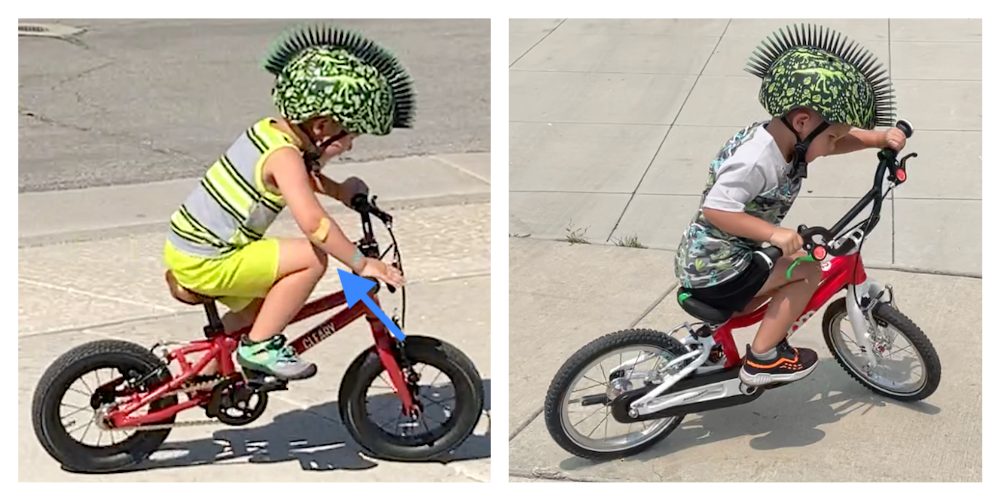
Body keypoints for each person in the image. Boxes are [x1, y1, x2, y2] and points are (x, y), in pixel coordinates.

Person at [163, 25, 414, 380]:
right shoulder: (285, 156)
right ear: (323, 126)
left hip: (188, 248)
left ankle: (210, 364)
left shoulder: (269, 132)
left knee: (273, 304)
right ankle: (259, 347)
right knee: (311, 258)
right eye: (350, 135)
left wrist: (339, 190)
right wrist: (360, 264)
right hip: (209, 259)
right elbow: (315, 224)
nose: (351, 146)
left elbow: (298, 176)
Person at [674, 24, 906, 386]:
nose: (834, 145)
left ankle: (751, 338)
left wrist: (877, 138)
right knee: (808, 270)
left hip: (723, 260)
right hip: (717, 268)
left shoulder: (784, 140)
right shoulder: (756, 160)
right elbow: (716, 209)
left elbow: (835, 140)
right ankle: (763, 359)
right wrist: (774, 233)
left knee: (786, 271)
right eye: (831, 136)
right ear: (802, 123)